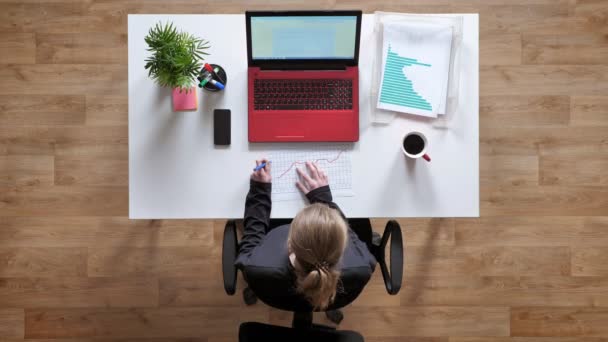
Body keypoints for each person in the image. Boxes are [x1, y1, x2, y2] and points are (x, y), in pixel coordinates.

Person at [235, 158, 376, 312]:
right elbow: (351, 233)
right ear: (344, 244)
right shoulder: (362, 264)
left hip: (275, 294)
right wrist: (323, 198)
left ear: (289, 244)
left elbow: (252, 236)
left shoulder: (255, 265)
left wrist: (260, 190)